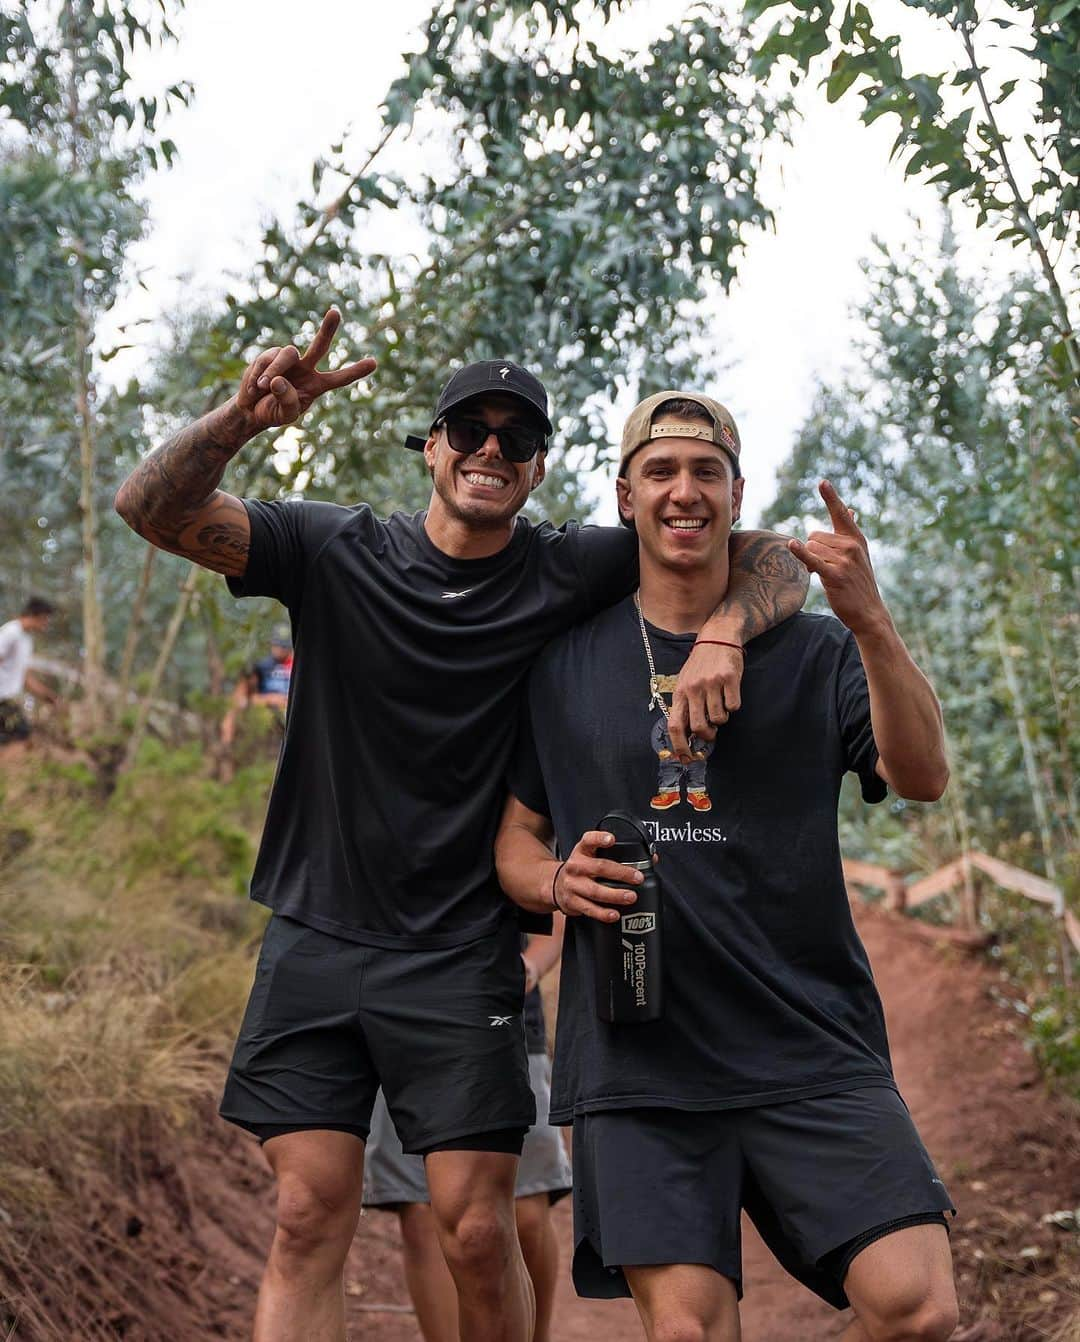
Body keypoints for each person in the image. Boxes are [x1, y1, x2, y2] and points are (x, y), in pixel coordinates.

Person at [113, 310, 808, 1342]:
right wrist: (237, 423)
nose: (490, 448)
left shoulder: (568, 568)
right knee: (307, 1212)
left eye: (515, 437)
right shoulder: (330, 548)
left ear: (536, 470)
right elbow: (148, 506)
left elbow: (770, 557)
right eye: (469, 430)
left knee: (477, 1227)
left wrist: (724, 632)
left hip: (458, 951)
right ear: (431, 447)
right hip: (316, 932)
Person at [495, 391, 959, 1342]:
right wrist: (553, 884)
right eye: (660, 472)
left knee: (919, 1308)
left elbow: (922, 776)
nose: (684, 492)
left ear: (738, 495)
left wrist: (869, 619)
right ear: (624, 497)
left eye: (707, 473)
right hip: (643, 1059)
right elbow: (513, 839)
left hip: (808, 1041)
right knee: (687, 1332)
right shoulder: (562, 665)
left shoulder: (817, 648)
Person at [362, 925, 570, 1342]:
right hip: (390, 1006)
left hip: (494, 1005)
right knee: (421, 1208)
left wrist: (530, 966)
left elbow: (556, 883)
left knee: (524, 1209)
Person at [220, 623, 294, 764]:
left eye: (282, 646)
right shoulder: (262, 667)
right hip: (268, 713)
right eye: (276, 644)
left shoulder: (297, 664)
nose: (278, 649)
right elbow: (245, 698)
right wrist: (269, 699)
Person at [0, 598, 58, 751]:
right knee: (21, 734)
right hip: (2, 701)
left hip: (9, 700)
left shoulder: (26, 640)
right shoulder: (11, 632)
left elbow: (25, 677)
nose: (47, 624)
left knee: (18, 735)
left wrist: (48, 696)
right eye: (46, 619)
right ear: (37, 616)